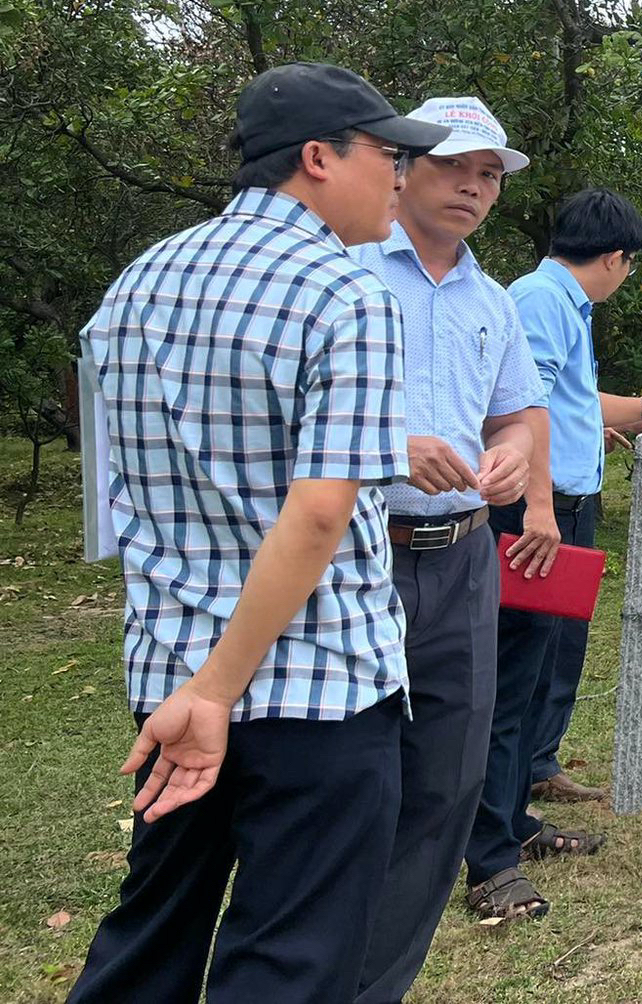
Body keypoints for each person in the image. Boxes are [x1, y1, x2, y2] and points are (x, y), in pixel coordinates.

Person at [70, 63, 448, 1004]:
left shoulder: (138, 279)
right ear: (318, 159)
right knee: (290, 959)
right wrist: (220, 691)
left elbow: (112, 479)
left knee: (149, 936)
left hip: (170, 675)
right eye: (389, 156)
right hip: (314, 690)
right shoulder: (348, 295)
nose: (401, 179)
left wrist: (195, 690)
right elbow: (320, 511)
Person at [350, 97, 559, 995]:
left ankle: (375, 984)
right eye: (455, 167)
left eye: (489, 176)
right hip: (355, 555)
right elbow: (279, 417)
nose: (474, 187)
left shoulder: (492, 300)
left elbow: (519, 411)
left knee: (446, 781)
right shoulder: (342, 270)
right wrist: (388, 449)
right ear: (402, 166)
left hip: (467, 557)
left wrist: (513, 457)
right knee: (350, 781)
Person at [464, 190, 642, 921]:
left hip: (560, 506)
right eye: (629, 266)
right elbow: (516, 407)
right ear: (614, 258)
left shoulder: (561, 304)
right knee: (510, 684)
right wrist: (539, 504)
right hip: (539, 515)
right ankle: (489, 854)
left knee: (542, 672)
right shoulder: (540, 300)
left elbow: (561, 401)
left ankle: (517, 820)